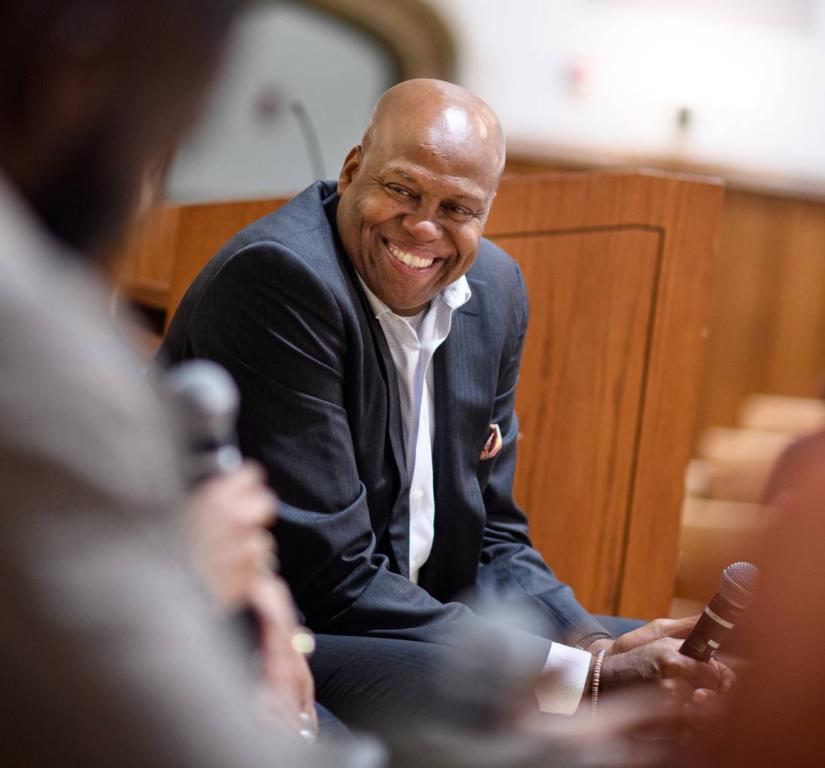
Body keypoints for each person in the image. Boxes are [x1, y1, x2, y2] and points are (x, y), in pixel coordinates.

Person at [159, 78, 732, 730]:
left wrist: (590, 645)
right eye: (402, 190)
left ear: (485, 213)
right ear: (351, 171)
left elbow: (494, 535)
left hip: (410, 622)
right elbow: (333, 579)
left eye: (458, 208)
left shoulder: (494, 288)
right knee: (544, 707)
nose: (425, 226)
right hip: (277, 630)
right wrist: (584, 678)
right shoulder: (280, 280)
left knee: (685, 683)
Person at [0, 2, 379, 765]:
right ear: (78, 68)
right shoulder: (32, 339)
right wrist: (188, 585)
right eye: (165, 132)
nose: (146, 197)